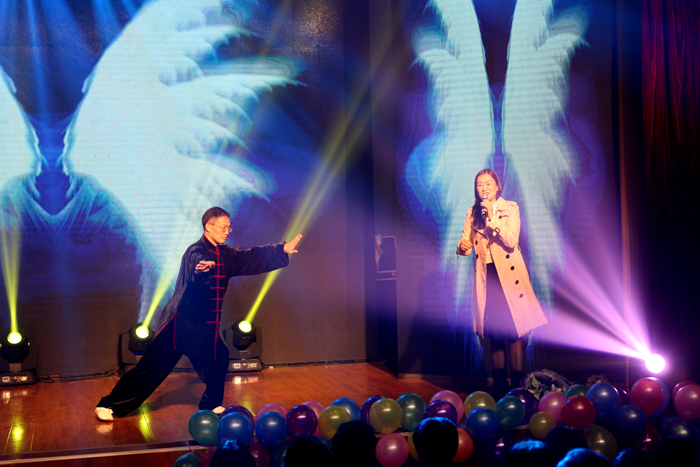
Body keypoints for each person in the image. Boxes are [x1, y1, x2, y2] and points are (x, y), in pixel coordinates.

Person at [95, 206, 302, 421]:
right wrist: (201, 269)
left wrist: (281, 249)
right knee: (151, 368)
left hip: (206, 325)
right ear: (208, 226)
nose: (226, 231)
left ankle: (211, 405)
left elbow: (251, 255)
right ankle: (109, 405)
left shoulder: (227, 254)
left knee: (219, 356)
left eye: (229, 228)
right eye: (223, 227)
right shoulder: (194, 251)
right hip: (181, 323)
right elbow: (196, 265)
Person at [457, 169, 547, 399]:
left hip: (509, 276)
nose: (484, 188)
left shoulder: (510, 208)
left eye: (488, 183)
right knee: (495, 334)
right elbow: (466, 240)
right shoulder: (472, 212)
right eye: (479, 184)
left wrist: (492, 218)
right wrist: (462, 247)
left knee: (515, 333)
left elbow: (511, 241)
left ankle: (517, 386)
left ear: (497, 186)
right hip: (487, 277)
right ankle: (499, 386)